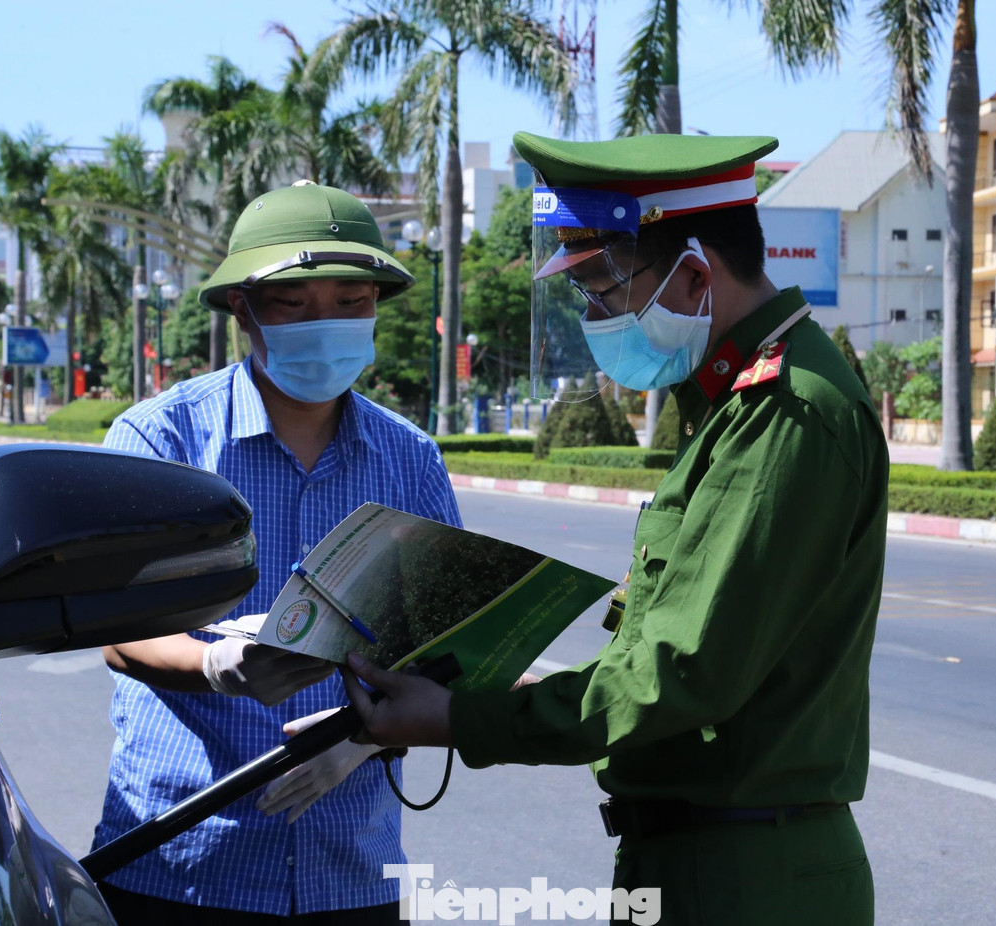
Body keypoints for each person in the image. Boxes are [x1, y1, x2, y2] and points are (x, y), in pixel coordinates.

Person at [341, 132, 887, 925]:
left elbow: (680, 674)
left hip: (745, 879)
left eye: (603, 291)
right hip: (699, 862)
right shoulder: (733, 399)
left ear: (696, 273)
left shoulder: (784, 414)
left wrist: (459, 719)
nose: (597, 318)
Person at [91, 181, 462, 924]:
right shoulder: (161, 441)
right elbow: (117, 628)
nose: (325, 322)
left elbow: (445, 636)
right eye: (293, 303)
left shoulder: (409, 458)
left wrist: (363, 739)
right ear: (243, 309)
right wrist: (215, 667)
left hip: (350, 864)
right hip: (183, 857)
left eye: (352, 302)